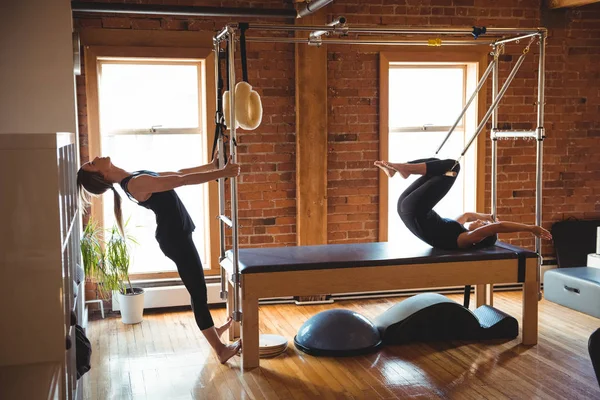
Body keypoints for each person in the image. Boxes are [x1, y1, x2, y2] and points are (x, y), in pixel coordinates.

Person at [77, 154, 242, 364]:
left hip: (177, 236)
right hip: (175, 240)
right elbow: (181, 181)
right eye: (92, 163)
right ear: (102, 174)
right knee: (198, 292)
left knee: (197, 288)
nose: (96, 157)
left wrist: (211, 167)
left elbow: (179, 173)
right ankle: (220, 350)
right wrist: (222, 173)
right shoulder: (135, 184)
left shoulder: (133, 176)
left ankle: (213, 331)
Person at [374, 158, 552, 250]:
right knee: (435, 165)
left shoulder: (465, 240)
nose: (482, 224)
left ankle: (404, 168)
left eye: (483, 226)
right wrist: (485, 216)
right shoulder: (458, 230)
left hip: (416, 211)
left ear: (480, 236)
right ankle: (399, 168)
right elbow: (467, 215)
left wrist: (530, 228)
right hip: (407, 208)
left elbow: (497, 227)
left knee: (453, 166)